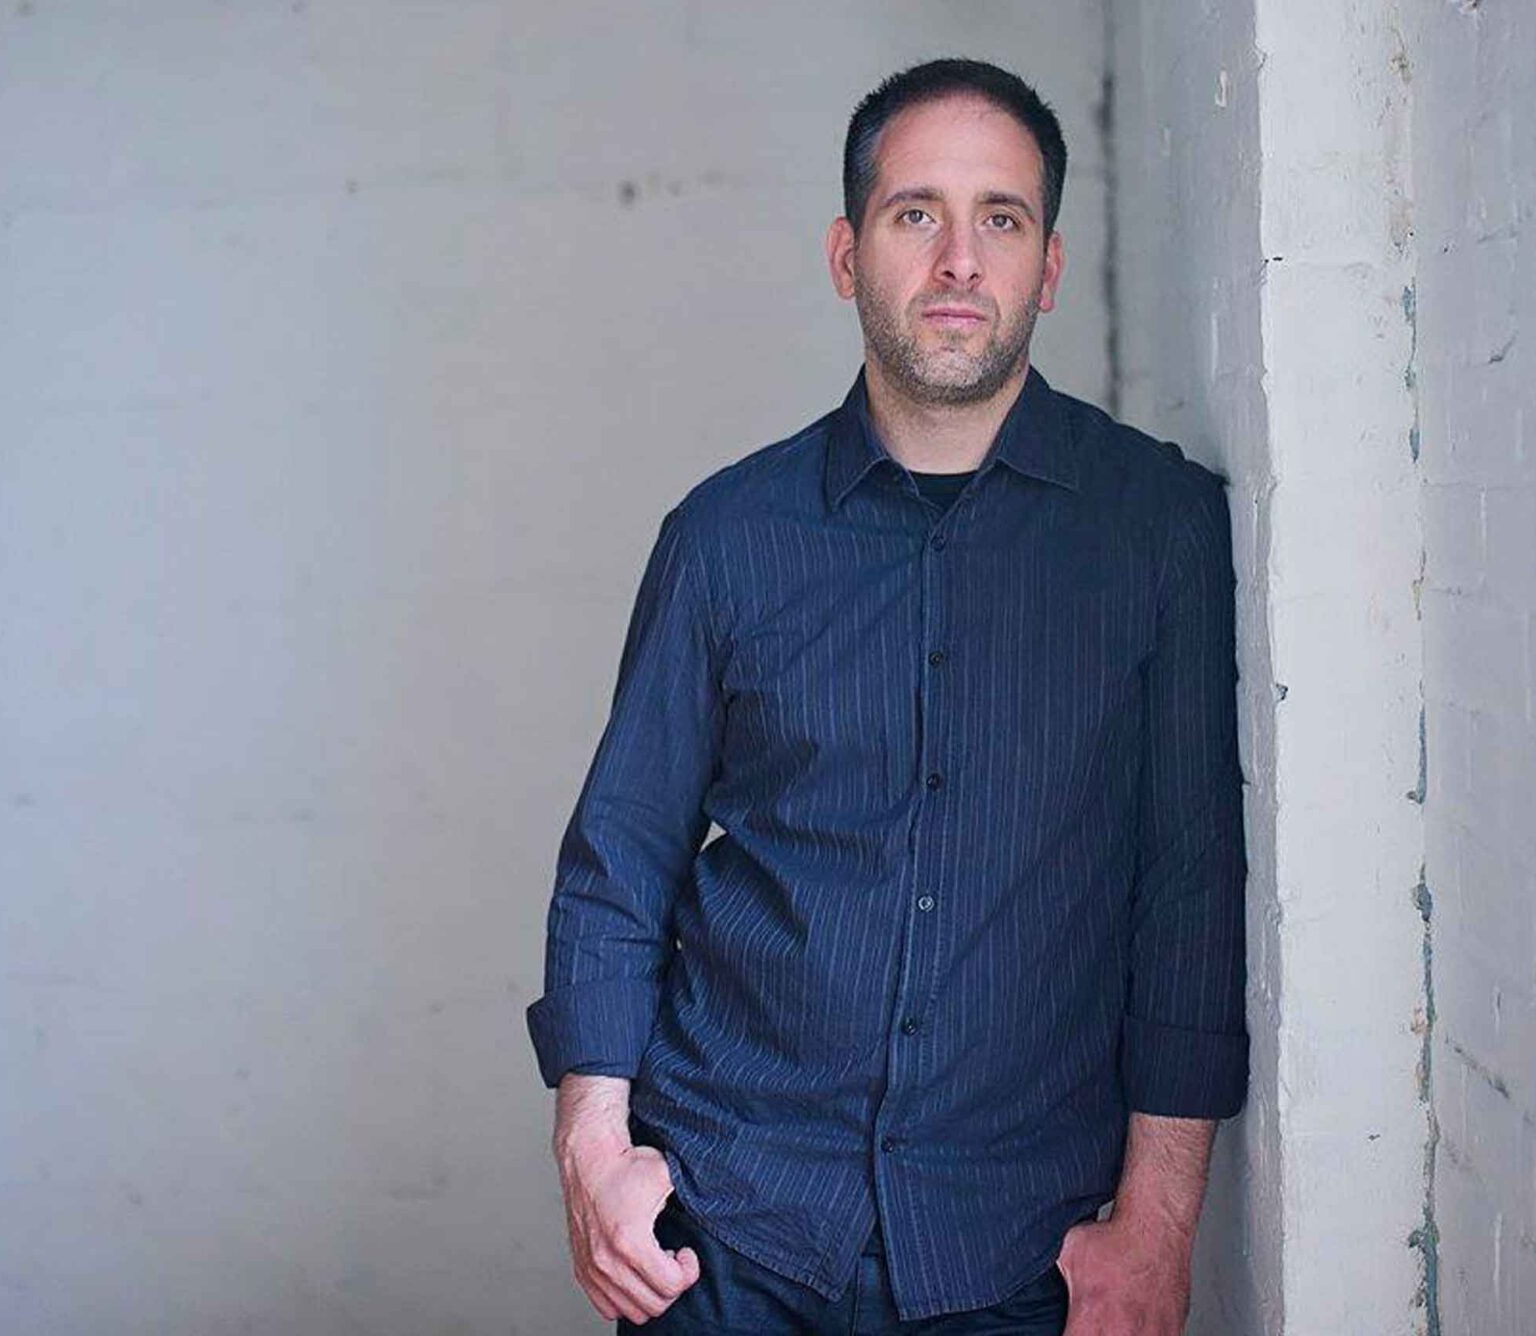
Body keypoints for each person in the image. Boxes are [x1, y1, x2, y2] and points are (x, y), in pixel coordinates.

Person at [525, 57, 1248, 1336]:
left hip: (1019, 1250)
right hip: (726, 1227)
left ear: (1049, 267)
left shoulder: (1160, 531)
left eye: (1000, 219)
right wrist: (592, 1146)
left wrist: (1158, 1224)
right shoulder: (725, 538)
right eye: (917, 213)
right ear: (847, 254)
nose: (959, 260)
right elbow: (619, 861)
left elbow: (1189, 887)